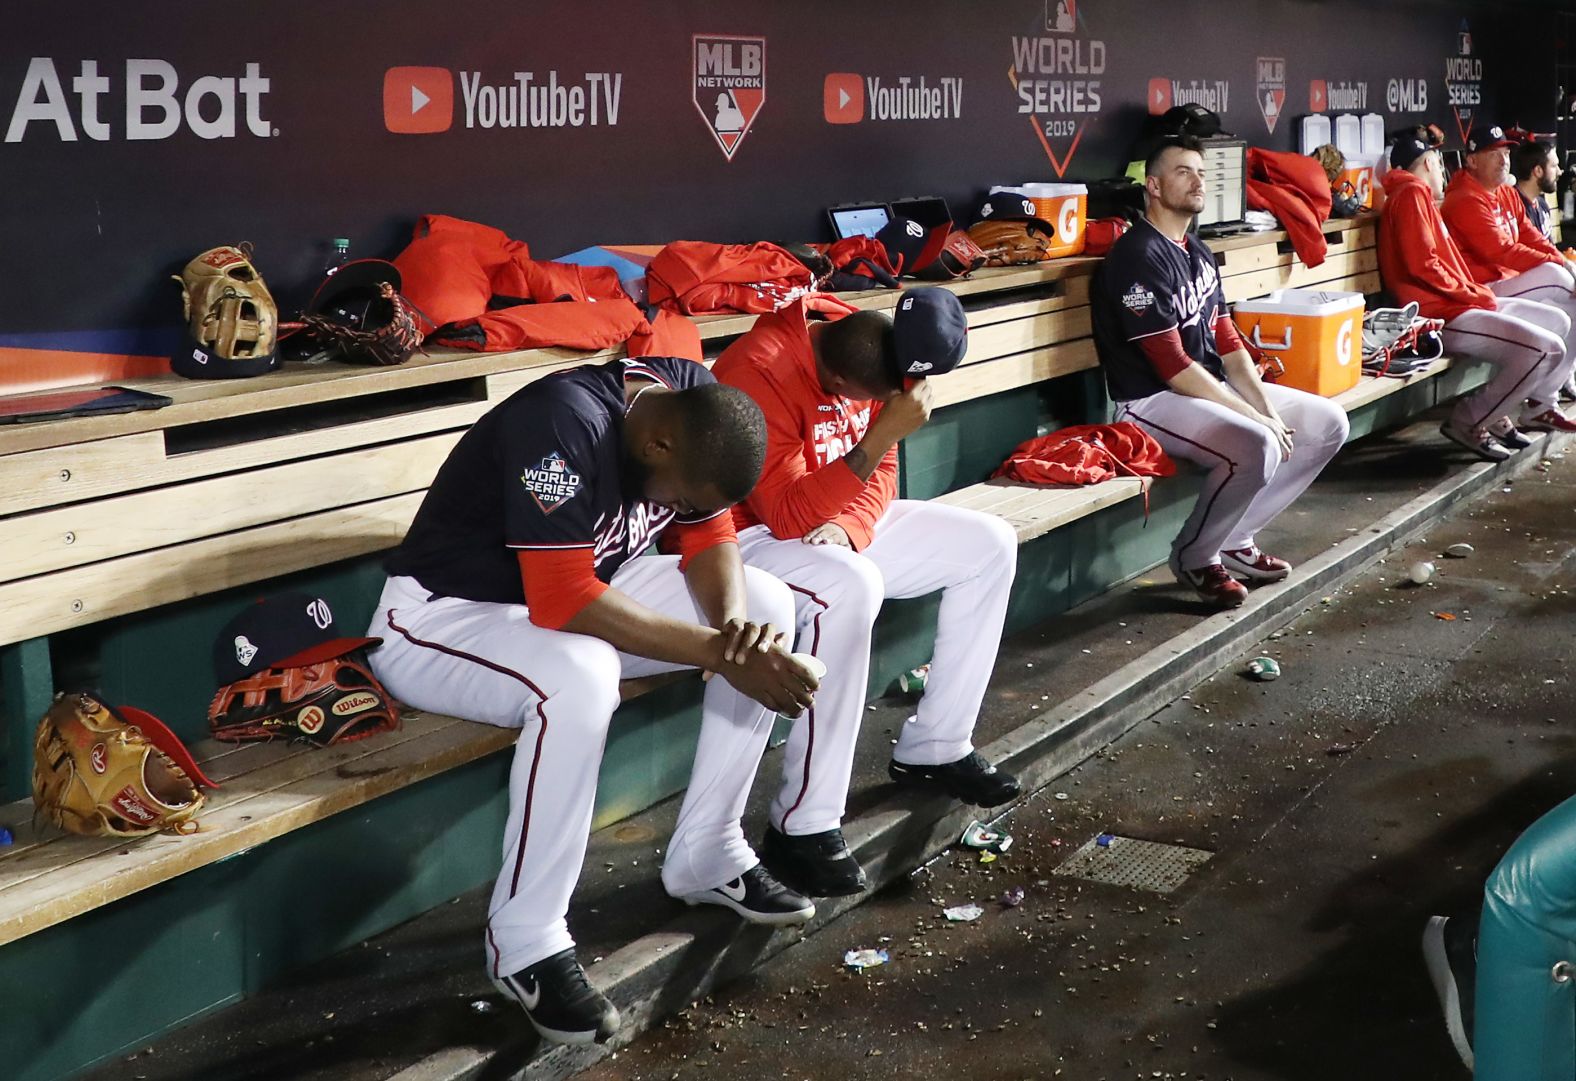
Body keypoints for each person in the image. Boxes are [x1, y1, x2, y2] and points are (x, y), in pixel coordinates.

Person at [365, 355, 820, 1046]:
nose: (684, 510)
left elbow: (709, 533)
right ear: (656, 444)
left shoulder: (689, 397)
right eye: (682, 496)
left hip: (551, 609)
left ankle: (709, 849)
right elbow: (562, 596)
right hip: (439, 618)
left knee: (766, 602)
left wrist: (732, 633)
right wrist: (717, 654)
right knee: (581, 671)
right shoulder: (561, 422)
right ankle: (527, 944)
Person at [711, 287, 1022, 898]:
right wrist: (877, 437)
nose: (881, 407)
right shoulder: (761, 370)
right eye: (868, 401)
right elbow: (787, 515)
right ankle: (803, 822)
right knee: (850, 587)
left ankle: (937, 745)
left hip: (832, 521)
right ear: (834, 375)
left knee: (990, 543)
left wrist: (853, 527)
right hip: (744, 543)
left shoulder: (874, 344)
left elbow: (879, 478)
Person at [1091, 134, 1349, 610]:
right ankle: (1196, 556)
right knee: (1257, 443)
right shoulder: (1137, 256)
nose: (1197, 181)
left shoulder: (1197, 249)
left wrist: (1267, 407)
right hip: (1149, 403)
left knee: (1328, 423)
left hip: (1203, 388)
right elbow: (1172, 368)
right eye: (1183, 171)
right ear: (1152, 185)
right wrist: (1257, 420)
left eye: (1202, 172)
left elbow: (1228, 343)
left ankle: (1238, 537)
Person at [1380, 130, 1574, 460]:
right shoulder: (1412, 193)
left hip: (1456, 303)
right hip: (1437, 314)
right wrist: (1471, 293)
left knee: (1557, 321)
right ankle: (1469, 420)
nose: (1443, 169)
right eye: (1439, 163)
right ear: (1428, 162)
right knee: (1546, 349)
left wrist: (1471, 293)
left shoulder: (1417, 195)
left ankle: (1499, 409)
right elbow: (1422, 265)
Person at [1442, 125, 1576, 413]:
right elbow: (1502, 251)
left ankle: (1543, 402)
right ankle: (1479, 414)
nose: (1504, 159)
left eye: (1505, 152)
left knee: (1570, 314)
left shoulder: (1504, 192)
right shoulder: (1464, 198)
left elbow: (1532, 236)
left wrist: (1559, 258)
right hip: (1481, 294)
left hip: (1510, 287)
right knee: (1556, 275)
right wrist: (1560, 263)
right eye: (1494, 153)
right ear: (1472, 160)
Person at [1511, 138, 1560, 242]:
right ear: (1538, 171)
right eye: (1554, 166)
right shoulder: (1512, 208)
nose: (1559, 172)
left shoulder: (1542, 205)